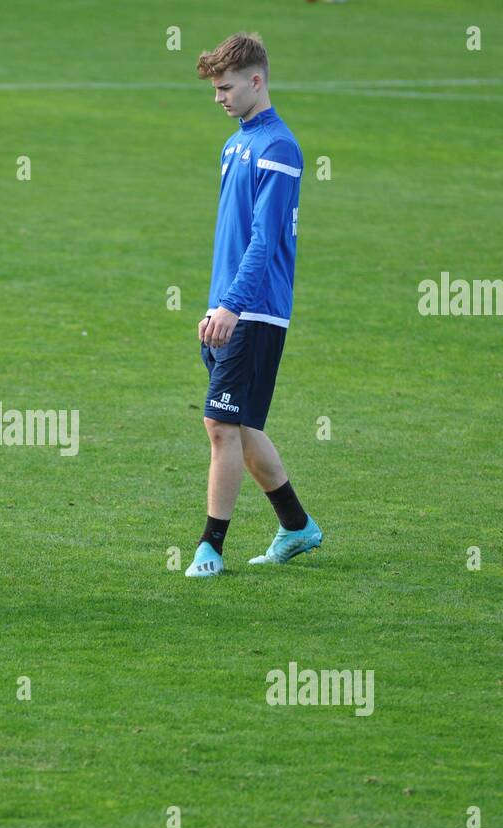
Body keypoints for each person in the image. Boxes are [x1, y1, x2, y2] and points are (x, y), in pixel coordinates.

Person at [187, 31, 324, 578]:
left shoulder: (280, 149)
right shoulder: (236, 143)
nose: (218, 98)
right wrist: (216, 303)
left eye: (225, 88)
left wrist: (233, 307)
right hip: (226, 306)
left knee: (220, 426)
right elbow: (232, 235)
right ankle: (297, 527)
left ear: (256, 81)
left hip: (254, 310)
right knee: (239, 426)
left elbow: (265, 242)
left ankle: (209, 548)